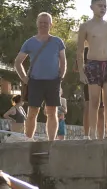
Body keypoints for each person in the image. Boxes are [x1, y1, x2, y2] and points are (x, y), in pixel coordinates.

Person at [14, 12, 67, 141]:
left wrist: (61, 76)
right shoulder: (29, 42)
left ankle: (51, 142)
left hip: (53, 81)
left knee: (52, 112)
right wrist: (25, 78)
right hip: (35, 81)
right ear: (37, 23)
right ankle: (28, 140)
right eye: (41, 22)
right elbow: (17, 62)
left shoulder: (57, 41)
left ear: (51, 24)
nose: (43, 24)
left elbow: (63, 60)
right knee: (32, 112)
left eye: (46, 22)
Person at [77, 0, 107, 139]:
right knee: (94, 100)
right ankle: (92, 133)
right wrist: (81, 71)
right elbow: (80, 51)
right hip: (92, 64)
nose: (102, 8)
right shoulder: (85, 26)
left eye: (105, 6)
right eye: (99, 5)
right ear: (92, 7)